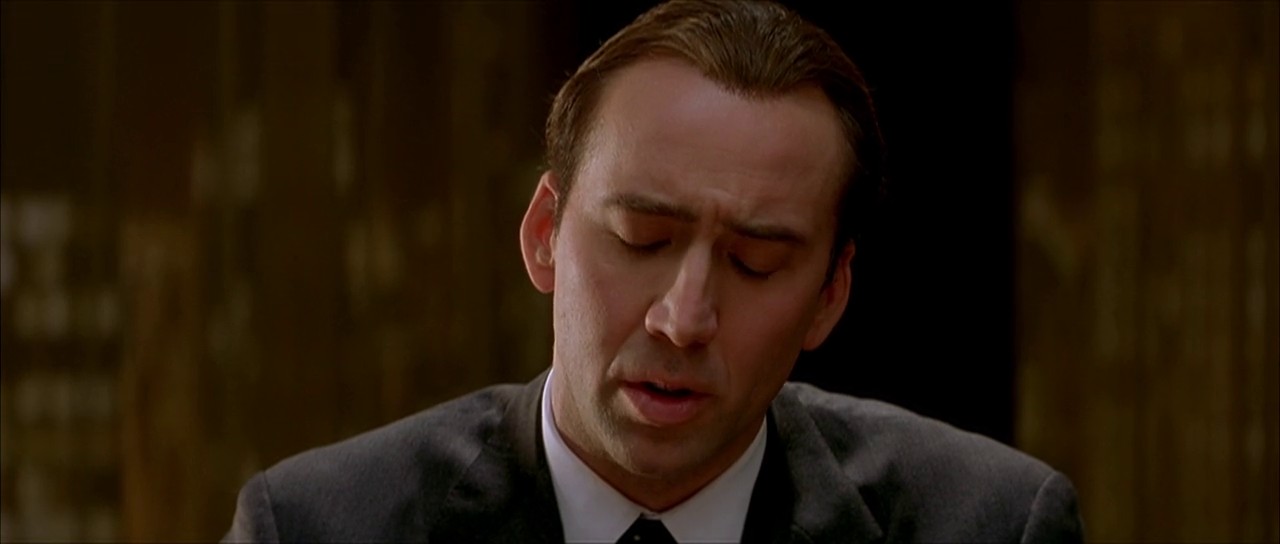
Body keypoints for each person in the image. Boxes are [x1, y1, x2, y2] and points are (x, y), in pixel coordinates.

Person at [223, 1, 1083, 542]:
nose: (683, 318)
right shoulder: (316, 526)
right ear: (544, 233)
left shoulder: (991, 524)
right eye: (641, 240)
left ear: (830, 296)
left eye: (753, 262)